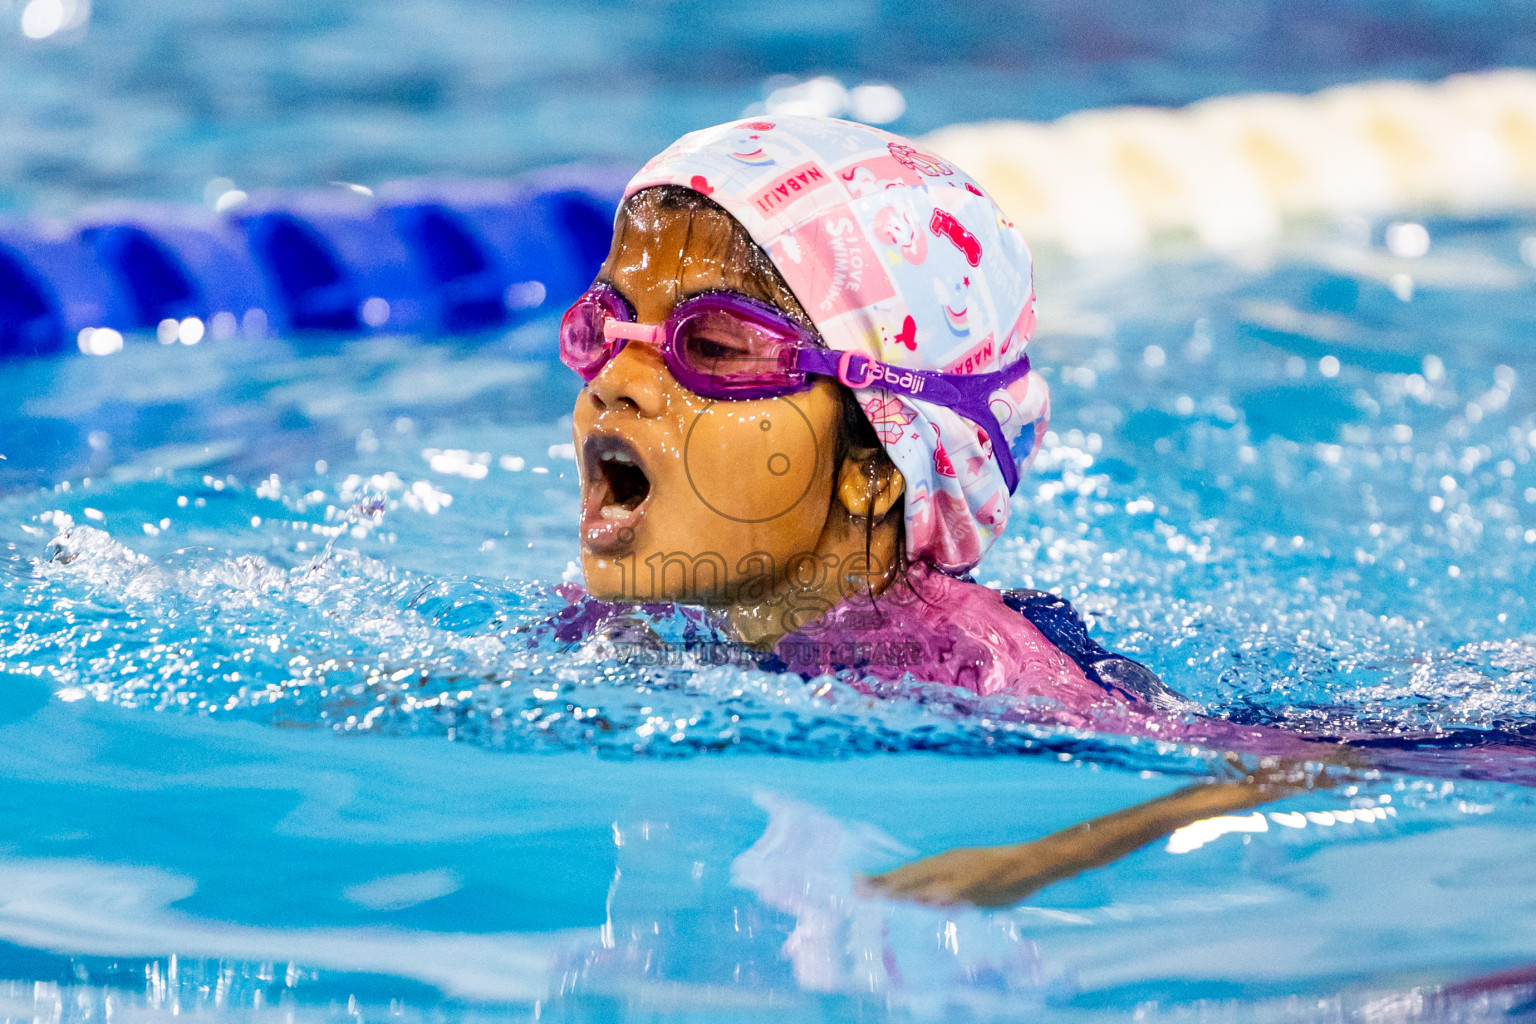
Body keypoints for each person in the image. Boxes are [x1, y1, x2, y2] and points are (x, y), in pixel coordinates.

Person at [550, 115, 1364, 908]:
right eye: (607, 324)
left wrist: (1032, 860)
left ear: (874, 465)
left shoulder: (966, 670)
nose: (616, 379)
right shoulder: (632, 623)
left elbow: (1305, 762)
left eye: (715, 347)